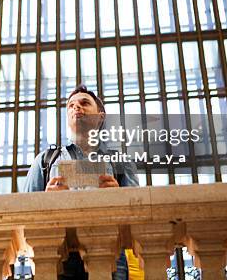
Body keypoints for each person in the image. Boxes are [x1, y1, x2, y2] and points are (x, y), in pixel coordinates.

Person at [22, 85, 141, 280]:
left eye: (84, 103)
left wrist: (119, 197)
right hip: (58, 254)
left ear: (100, 116)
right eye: (71, 105)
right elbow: (23, 214)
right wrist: (44, 200)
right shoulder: (45, 160)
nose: (76, 107)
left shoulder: (121, 161)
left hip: (110, 251)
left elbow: (139, 217)